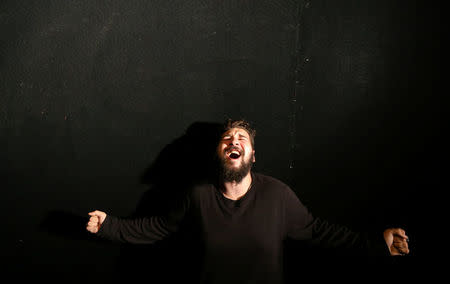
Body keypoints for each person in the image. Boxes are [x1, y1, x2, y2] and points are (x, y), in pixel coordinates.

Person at [86, 119, 410, 283]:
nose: (234, 140)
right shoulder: (198, 196)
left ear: (253, 156)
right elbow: (157, 227)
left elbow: (319, 231)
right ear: (220, 154)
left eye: (242, 138)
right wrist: (109, 226)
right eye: (227, 138)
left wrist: (375, 244)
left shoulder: (277, 196)